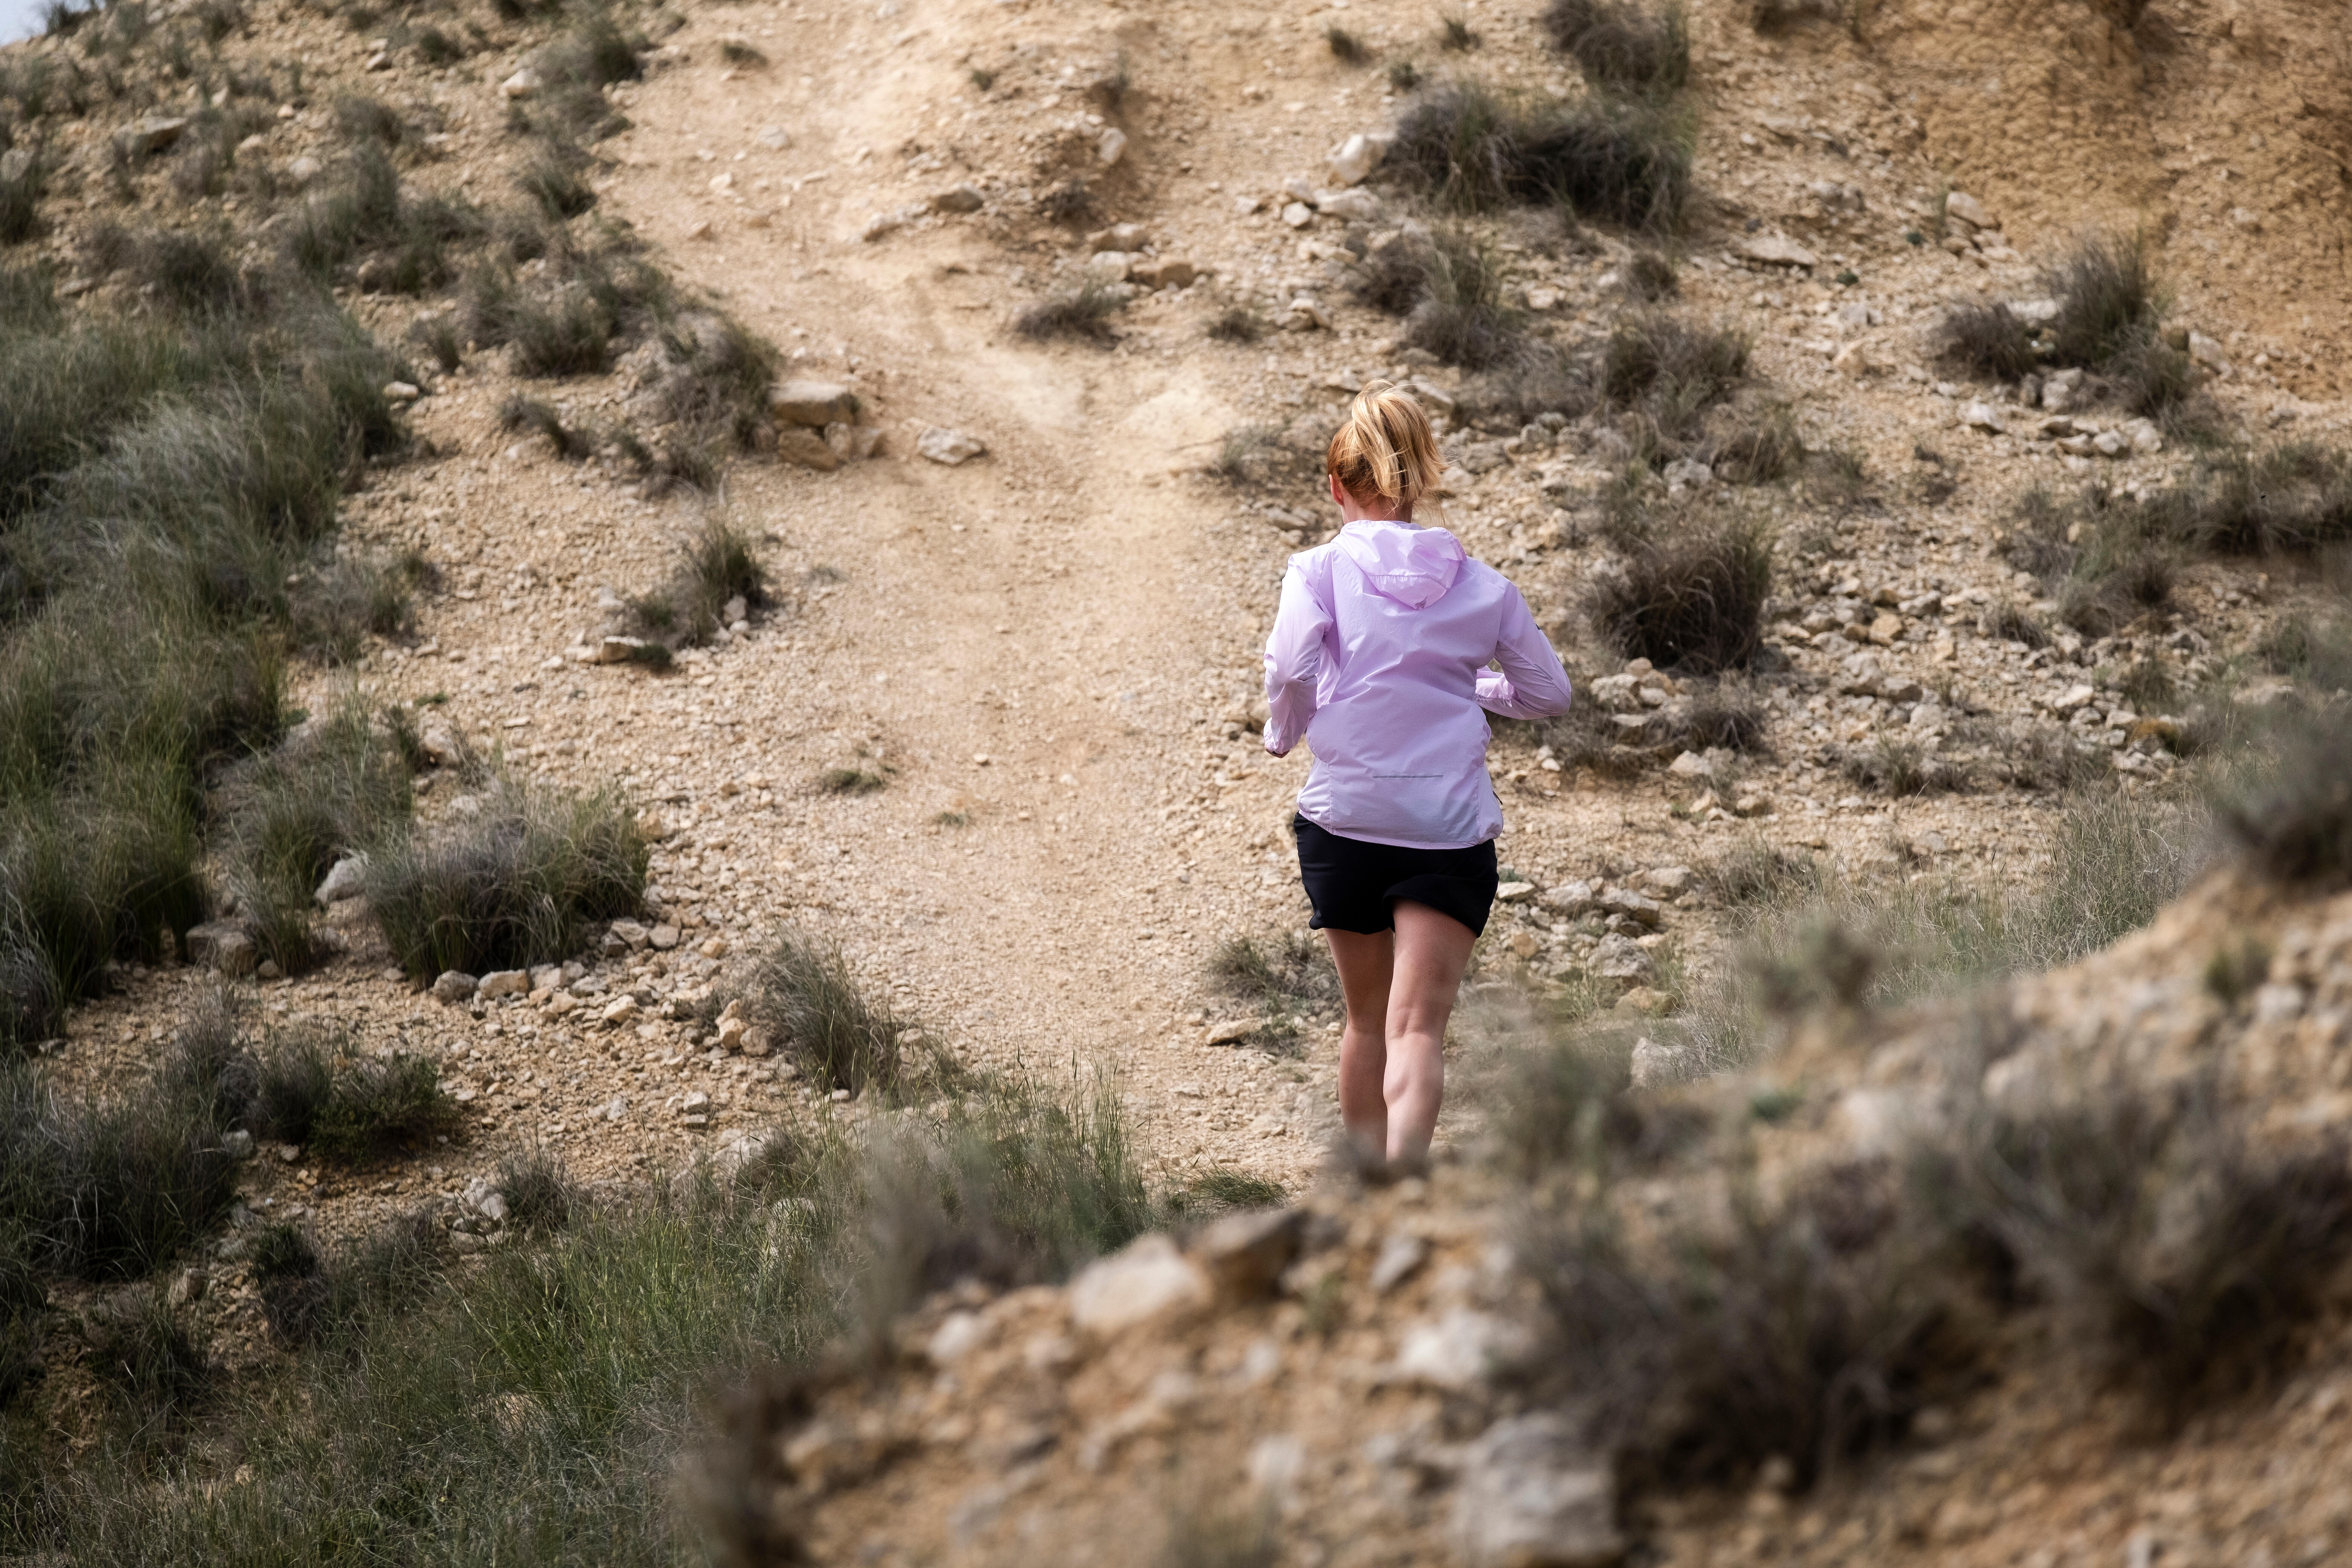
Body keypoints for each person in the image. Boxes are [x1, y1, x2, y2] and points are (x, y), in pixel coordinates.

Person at [1261, 382, 1573, 1165]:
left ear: (1336, 486)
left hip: (1344, 821)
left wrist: (1286, 730)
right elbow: (1549, 694)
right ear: (1420, 482)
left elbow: (1294, 667)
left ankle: (1367, 1204)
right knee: (1417, 1029)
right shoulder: (1484, 586)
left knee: (1367, 1022)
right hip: (1447, 828)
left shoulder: (1317, 571)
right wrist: (1473, 687)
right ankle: (1405, 1190)